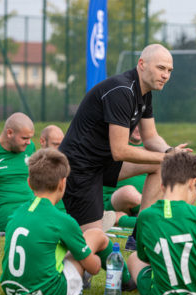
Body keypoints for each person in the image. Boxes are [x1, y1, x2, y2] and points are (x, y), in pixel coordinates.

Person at [59, 44, 189, 237]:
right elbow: (119, 151)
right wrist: (164, 157)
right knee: (92, 242)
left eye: (169, 71)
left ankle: (140, 236)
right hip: (79, 169)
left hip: (103, 165)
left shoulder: (145, 94)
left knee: (160, 165)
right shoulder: (122, 90)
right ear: (142, 64)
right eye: (161, 68)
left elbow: (151, 137)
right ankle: (92, 225)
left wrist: (170, 152)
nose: (166, 75)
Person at [0, 148, 109, 295]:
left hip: (11, 289)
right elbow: (94, 268)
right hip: (49, 291)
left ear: (29, 183)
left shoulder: (15, 213)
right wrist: (95, 259)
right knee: (96, 235)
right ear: (62, 183)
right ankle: (127, 280)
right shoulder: (62, 220)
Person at [127, 152, 196, 295]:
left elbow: (144, 257)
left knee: (134, 258)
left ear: (162, 186)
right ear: (192, 183)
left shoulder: (145, 216)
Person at [102, 125, 146, 230]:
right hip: (113, 202)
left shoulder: (151, 147)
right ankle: (158, 215)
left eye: (142, 124)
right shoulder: (115, 146)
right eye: (135, 124)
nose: (138, 128)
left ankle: (146, 215)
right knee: (128, 192)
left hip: (144, 201)